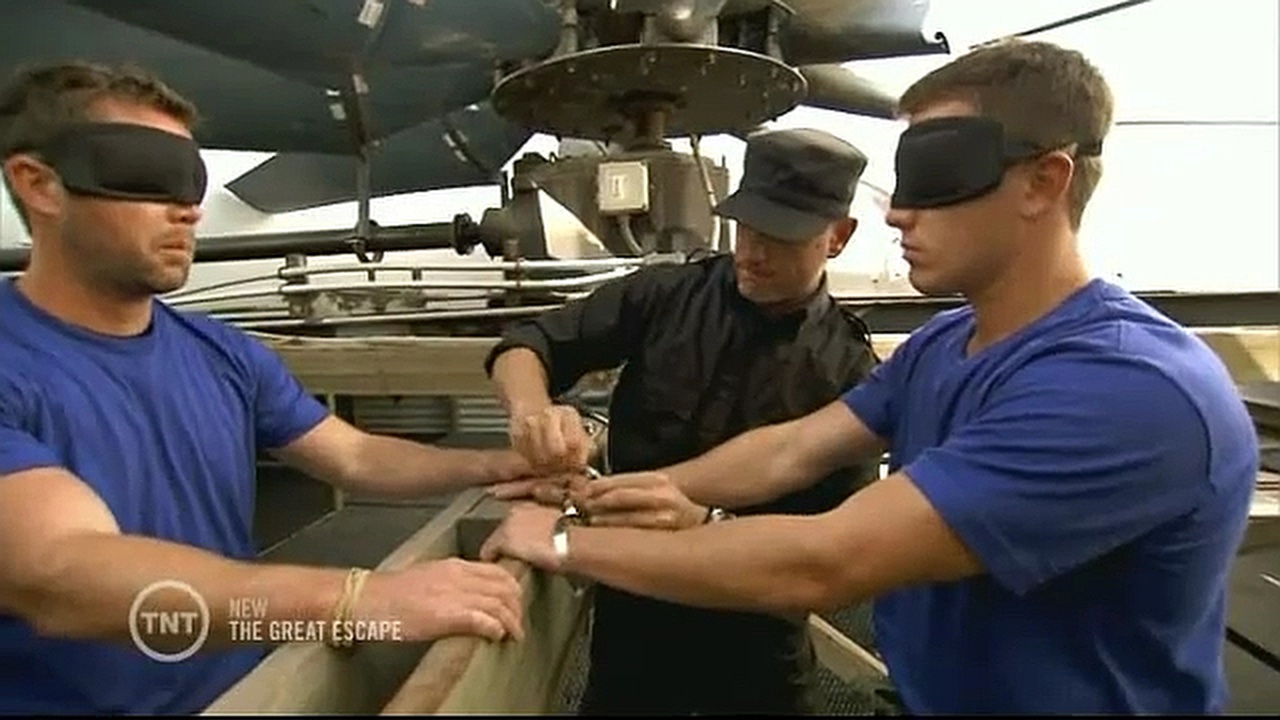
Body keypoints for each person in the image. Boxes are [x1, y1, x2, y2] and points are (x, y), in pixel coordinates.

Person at [481, 38, 1260, 715]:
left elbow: (827, 559)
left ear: (1043, 182)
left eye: (938, 172)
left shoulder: (1125, 389)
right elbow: (792, 450)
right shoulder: (946, 343)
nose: (900, 213)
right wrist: (653, 490)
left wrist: (566, 542)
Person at [0, 61, 535, 714]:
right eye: (148, 174)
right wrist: (356, 598)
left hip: (253, 696)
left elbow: (354, 456)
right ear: (40, 185)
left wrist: (499, 465)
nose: (188, 209)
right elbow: (59, 571)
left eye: (192, 180)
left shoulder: (220, 351)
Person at [483, 128, 882, 714]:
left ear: (838, 236)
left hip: (756, 642)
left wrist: (711, 523)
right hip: (633, 629)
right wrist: (533, 412)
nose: (752, 252)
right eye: (747, 227)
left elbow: (842, 541)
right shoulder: (667, 294)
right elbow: (529, 343)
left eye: (780, 236)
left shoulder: (851, 372)